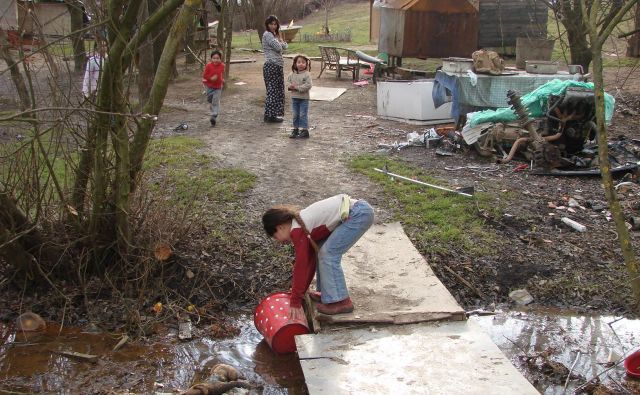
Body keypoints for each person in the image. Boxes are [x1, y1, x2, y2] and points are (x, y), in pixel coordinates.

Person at [262, 194, 374, 320]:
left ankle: (342, 301)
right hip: (357, 211)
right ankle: (327, 294)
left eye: (276, 237)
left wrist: (295, 300)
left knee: (328, 254)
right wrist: (300, 292)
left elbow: (301, 266)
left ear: (280, 227)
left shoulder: (297, 230)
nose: (279, 242)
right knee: (321, 252)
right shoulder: (299, 224)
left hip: (358, 214)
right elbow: (310, 263)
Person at [261, 15, 288, 123]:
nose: (273, 26)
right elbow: (279, 47)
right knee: (272, 91)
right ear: (267, 25)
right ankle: (269, 115)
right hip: (271, 65)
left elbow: (285, 46)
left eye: (275, 24)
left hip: (277, 65)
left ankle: (274, 114)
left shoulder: (274, 35)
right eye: (271, 24)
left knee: (278, 90)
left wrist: (280, 41)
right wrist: (280, 41)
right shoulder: (267, 35)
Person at [286, 54, 312, 138]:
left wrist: (297, 88)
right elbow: (287, 82)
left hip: (304, 98)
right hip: (294, 98)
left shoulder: (307, 74)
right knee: (295, 114)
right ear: (295, 64)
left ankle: (305, 131)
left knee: (303, 114)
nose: (301, 64)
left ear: (306, 64)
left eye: (303, 62)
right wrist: (289, 86)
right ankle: (295, 129)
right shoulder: (291, 74)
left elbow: (308, 85)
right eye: (299, 62)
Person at [202, 50, 225, 127]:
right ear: (211, 59)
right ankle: (213, 109)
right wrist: (211, 78)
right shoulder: (208, 66)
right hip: (209, 86)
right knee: (210, 100)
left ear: (220, 59)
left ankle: (214, 116)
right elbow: (204, 76)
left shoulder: (222, 66)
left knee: (215, 101)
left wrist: (221, 80)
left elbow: (219, 74)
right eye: (214, 58)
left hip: (218, 87)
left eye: (218, 58)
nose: (216, 60)